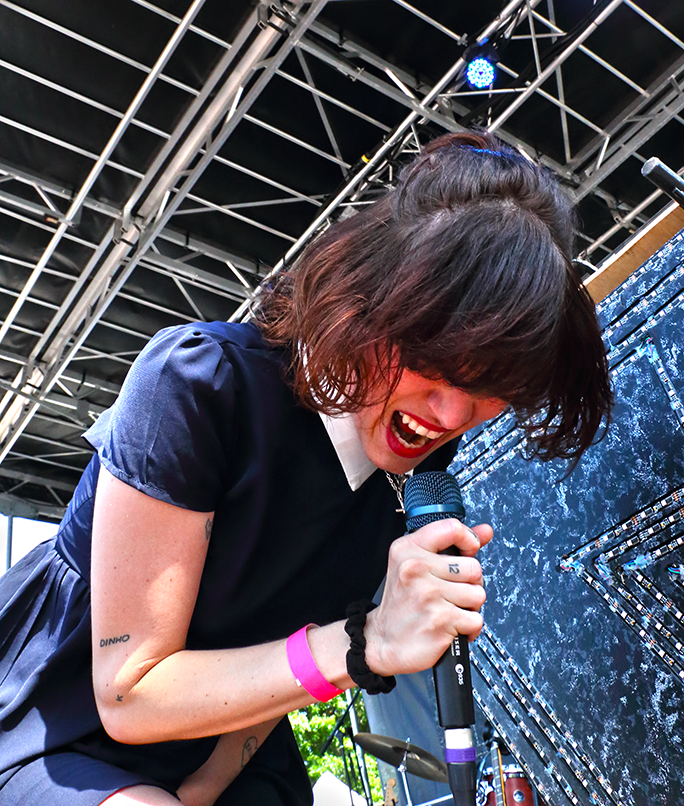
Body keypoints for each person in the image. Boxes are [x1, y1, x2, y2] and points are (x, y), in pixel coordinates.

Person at [0, 130, 612, 806]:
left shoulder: (417, 467)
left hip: (222, 743)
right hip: (56, 725)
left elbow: (280, 652)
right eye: (433, 361)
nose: (450, 413)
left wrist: (205, 787)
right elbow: (129, 691)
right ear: (368, 297)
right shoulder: (198, 384)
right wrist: (361, 644)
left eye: (493, 388)